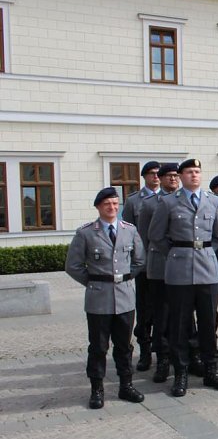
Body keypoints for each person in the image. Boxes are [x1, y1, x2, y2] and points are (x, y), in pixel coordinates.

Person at [148, 158, 218, 397]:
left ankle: (211, 369)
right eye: (189, 172)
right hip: (179, 270)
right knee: (179, 324)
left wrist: (204, 253)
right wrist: (177, 253)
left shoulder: (213, 201)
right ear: (181, 176)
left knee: (208, 322)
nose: (194, 175)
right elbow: (156, 235)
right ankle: (181, 372)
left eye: (197, 171)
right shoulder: (168, 202)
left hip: (207, 269)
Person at [65, 187, 146, 409]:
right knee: (98, 347)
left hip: (125, 298)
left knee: (124, 346)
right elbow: (72, 266)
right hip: (98, 300)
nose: (112, 207)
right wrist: (94, 282)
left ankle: (126, 385)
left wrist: (125, 279)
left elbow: (139, 261)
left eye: (115, 203)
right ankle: (97, 389)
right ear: (98, 207)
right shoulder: (86, 233)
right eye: (107, 204)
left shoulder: (129, 230)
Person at [137, 162, 180, 383]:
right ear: (160, 179)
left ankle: (185, 355)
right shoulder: (149, 204)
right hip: (159, 267)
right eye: (168, 175)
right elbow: (144, 238)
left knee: (183, 314)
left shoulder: (184, 200)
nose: (173, 179)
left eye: (176, 175)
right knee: (160, 315)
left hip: (183, 267)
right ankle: (162, 358)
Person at [121, 160, 160, 372]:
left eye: (158, 173)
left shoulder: (170, 198)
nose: (156, 176)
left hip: (165, 264)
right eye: (152, 173)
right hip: (144, 265)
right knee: (145, 311)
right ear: (144, 176)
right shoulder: (134, 201)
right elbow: (127, 232)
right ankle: (145, 351)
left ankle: (164, 351)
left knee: (165, 310)